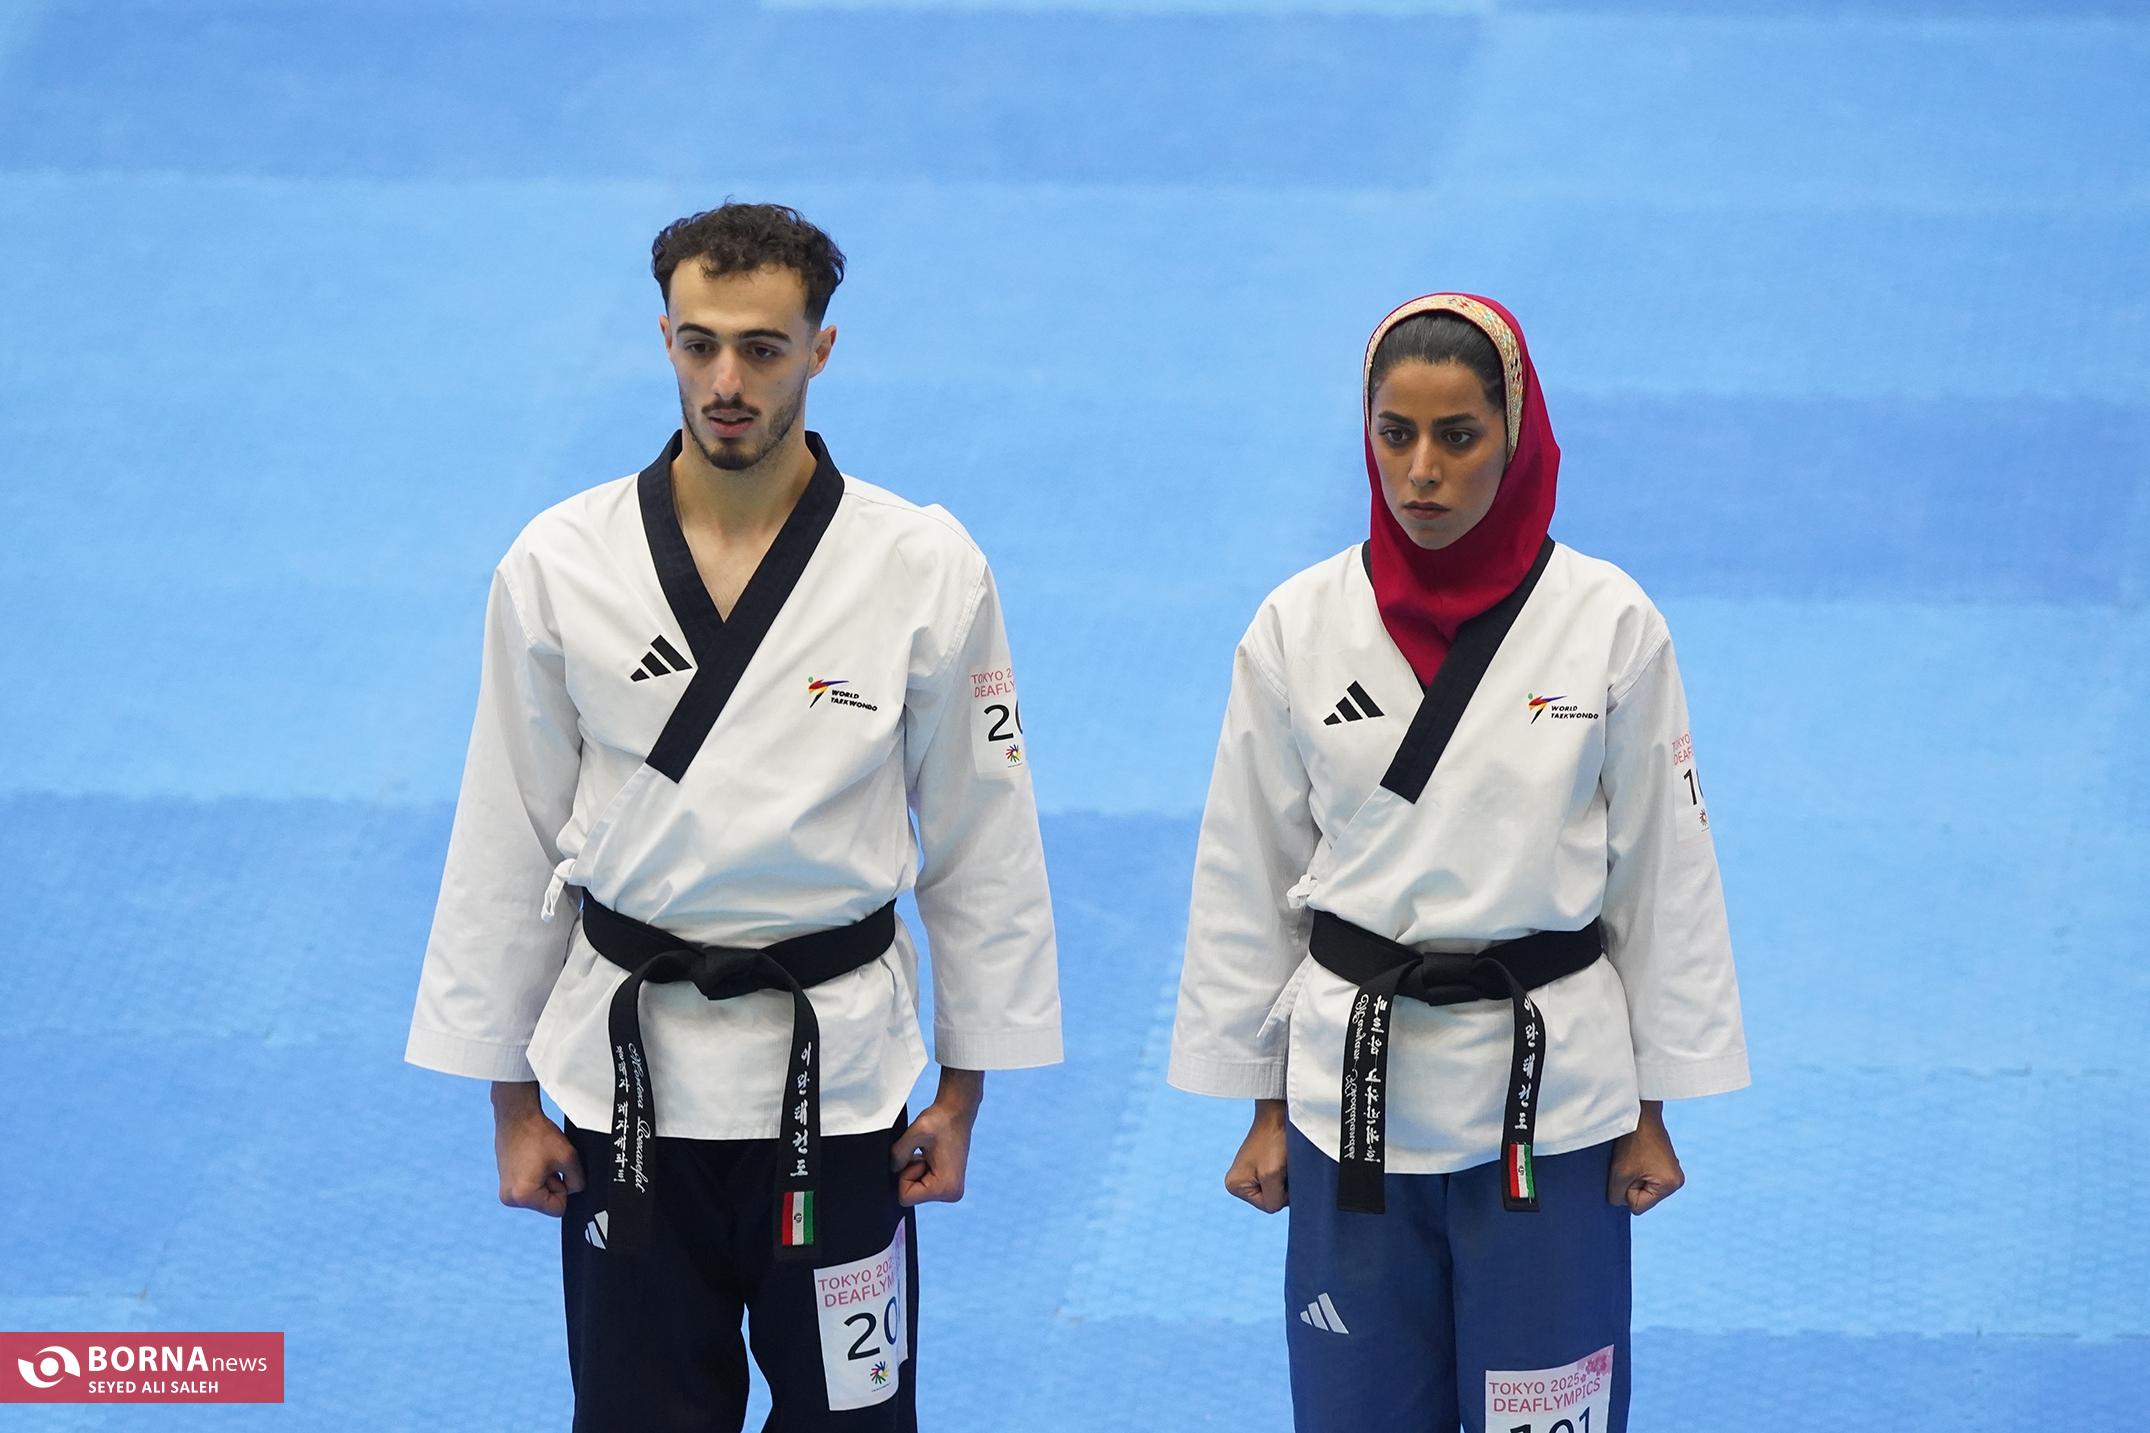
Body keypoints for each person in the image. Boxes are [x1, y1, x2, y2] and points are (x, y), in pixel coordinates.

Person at [405, 202, 1062, 1433]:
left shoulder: (921, 566)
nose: (725, 382)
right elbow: (507, 828)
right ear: (663, 336)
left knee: (856, 1418)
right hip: (626, 1088)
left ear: (820, 348)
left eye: (761, 348)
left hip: (842, 1084)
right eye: (699, 342)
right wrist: (508, 1097)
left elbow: (982, 836)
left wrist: (964, 1088)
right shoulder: (561, 562)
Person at [1168, 293, 1747, 1433]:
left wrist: (1651, 1106)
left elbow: (1662, 874)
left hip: (1552, 1106)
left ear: (1513, 438)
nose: (1421, 470)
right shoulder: (1296, 624)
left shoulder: (1608, 621)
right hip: (1352, 1105)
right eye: (1395, 434)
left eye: (1458, 435)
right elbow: (1247, 873)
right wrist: (1263, 1101)